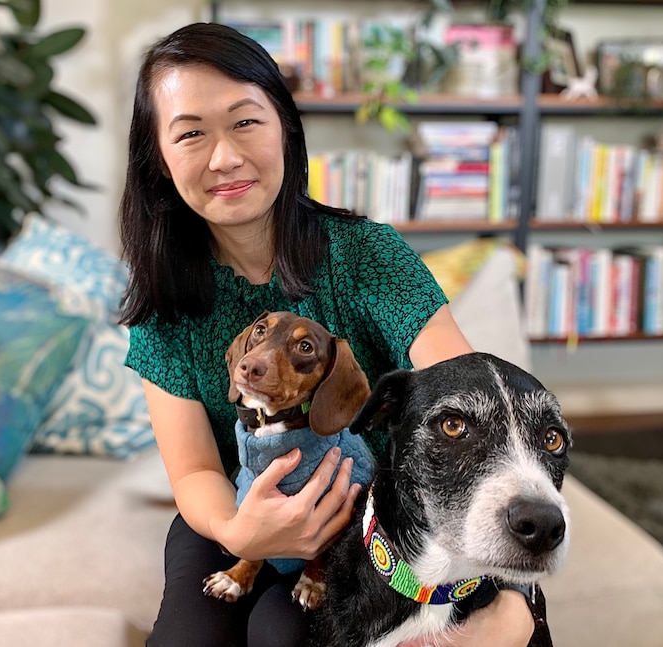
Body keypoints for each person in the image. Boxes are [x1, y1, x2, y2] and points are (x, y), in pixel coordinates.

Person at [119, 22, 535, 647]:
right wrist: (240, 533)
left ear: (285, 127)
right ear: (158, 158)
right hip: (231, 515)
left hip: (361, 518)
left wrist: (508, 591)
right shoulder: (166, 298)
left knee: (283, 632)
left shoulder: (369, 255)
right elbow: (197, 469)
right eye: (191, 134)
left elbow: (473, 411)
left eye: (245, 122)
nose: (224, 156)